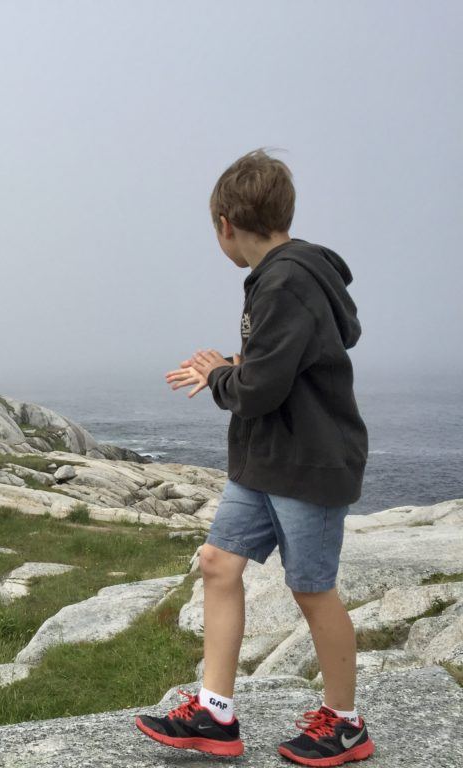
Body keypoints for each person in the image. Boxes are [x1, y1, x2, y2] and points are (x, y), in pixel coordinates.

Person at [136, 150, 371, 766]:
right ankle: (215, 714)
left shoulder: (288, 280)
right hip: (265, 461)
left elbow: (263, 389)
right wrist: (235, 367)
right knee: (218, 563)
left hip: (307, 464)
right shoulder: (281, 277)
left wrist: (220, 376)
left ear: (224, 224)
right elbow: (283, 368)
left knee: (313, 591)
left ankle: (345, 724)